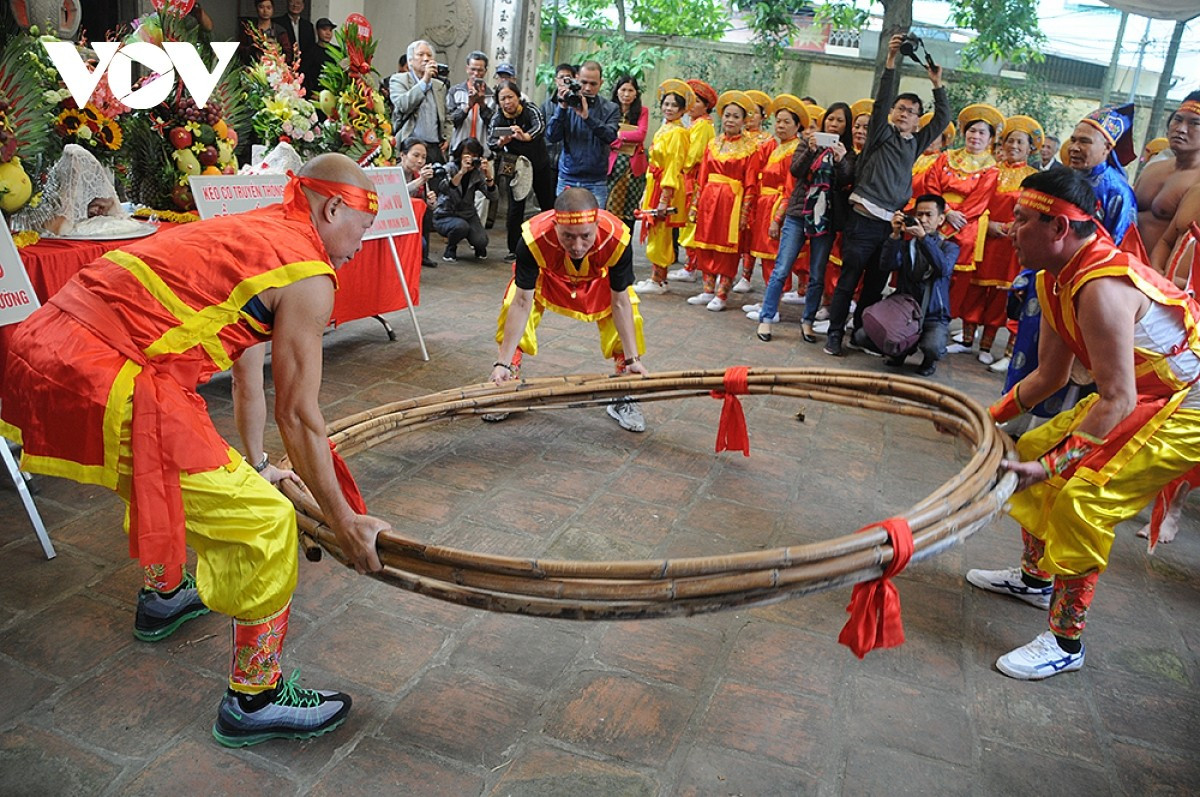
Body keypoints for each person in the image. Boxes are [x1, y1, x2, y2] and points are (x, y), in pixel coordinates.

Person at [0, 153, 389, 744]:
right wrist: (344, 522)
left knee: (169, 454)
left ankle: (166, 595)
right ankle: (254, 698)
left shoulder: (263, 227)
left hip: (47, 341)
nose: (361, 246)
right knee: (262, 523)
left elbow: (245, 375)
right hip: (107, 369)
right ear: (333, 207)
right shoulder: (308, 272)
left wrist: (255, 465)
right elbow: (299, 416)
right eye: (362, 227)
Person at [965, 168, 1200, 680]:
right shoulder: (1055, 277)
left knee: (1083, 496)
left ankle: (1066, 642)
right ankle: (1035, 579)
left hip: (1185, 404)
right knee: (1031, 445)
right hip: (1139, 395)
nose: (1009, 228)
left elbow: (1116, 400)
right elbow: (1050, 376)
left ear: (1059, 229)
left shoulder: (1102, 287)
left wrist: (1054, 466)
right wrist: (985, 418)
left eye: (1022, 219)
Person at [822, 32, 948, 356]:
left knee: (875, 285)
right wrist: (891, 61)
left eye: (911, 111)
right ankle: (834, 335)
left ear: (918, 120)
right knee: (849, 279)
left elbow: (944, 118)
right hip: (862, 221)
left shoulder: (915, 143)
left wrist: (937, 83)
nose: (904, 114)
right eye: (900, 108)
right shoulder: (881, 133)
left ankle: (860, 333)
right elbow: (881, 100)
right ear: (892, 112)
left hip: (889, 227)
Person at [488, 188, 649, 432]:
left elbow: (620, 302)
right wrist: (502, 362)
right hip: (549, 278)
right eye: (567, 237)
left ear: (597, 223)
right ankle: (507, 380)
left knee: (630, 308)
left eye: (586, 235)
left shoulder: (616, 240)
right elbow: (522, 301)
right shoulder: (533, 240)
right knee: (512, 301)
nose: (577, 246)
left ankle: (624, 390)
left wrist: (632, 358)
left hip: (598, 281)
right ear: (554, 225)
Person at [751, 98, 853, 343]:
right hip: (799, 213)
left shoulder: (848, 153)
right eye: (831, 119)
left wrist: (841, 160)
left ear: (846, 126)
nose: (834, 124)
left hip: (826, 219)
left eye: (840, 121)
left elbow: (847, 182)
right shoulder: (805, 143)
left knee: (817, 273)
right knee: (782, 267)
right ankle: (766, 318)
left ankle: (807, 322)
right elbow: (796, 171)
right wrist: (812, 149)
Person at [926, 103, 1001, 352]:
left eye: (982, 132)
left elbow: (980, 200)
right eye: (972, 131)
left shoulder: (991, 169)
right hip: (938, 217)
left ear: (990, 138)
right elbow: (932, 183)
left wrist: (954, 218)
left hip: (966, 227)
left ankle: (942, 322)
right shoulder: (946, 157)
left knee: (956, 278)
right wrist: (945, 211)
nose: (975, 136)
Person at [968, 115, 1042, 369]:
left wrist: (1012, 228)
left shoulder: (1034, 178)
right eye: (1010, 140)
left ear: (1030, 148)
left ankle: (997, 348)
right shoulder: (990, 171)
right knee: (975, 288)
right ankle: (968, 339)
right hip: (985, 238)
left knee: (1005, 295)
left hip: (1012, 244)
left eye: (1020, 142)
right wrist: (987, 225)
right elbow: (976, 202)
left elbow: (1033, 212)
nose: (1014, 146)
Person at [684, 91, 761, 311]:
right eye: (727, 115)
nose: (730, 120)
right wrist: (696, 206)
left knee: (728, 249)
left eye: (736, 116)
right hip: (709, 200)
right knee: (705, 244)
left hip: (732, 203)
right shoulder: (713, 144)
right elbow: (702, 177)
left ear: (744, 120)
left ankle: (722, 293)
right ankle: (707, 289)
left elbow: (751, 185)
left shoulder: (750, 148)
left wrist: (745, 213)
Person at [871, 193, 958, 376]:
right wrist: (895, 235)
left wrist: (924, 239)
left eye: (929, 215)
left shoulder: (950, 247)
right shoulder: (906, 245)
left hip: (934, 315)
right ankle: (900, 351)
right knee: (866, 335)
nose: (923, 220)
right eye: (919, 215)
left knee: (933, 346)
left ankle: (929, 360)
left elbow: (942, 269)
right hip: (905, 311)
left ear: (941, 219)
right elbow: (886, 265)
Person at [632, 79, 694, 294]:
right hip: (654, 183)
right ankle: (658, 277)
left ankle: (658, 279)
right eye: (666, 104)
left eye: (674, 105)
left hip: (664, 187)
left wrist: (664, 197)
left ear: (683, 109)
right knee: (656, 231)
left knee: (661, 232)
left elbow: (673, 166)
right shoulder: (666, 128)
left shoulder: (678, 133)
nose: (668, 108)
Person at [488, 80, 557, 260]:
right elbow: (490, 142)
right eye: (502, 99)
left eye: (510, 97)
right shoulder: (497, 118)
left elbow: (540, 126)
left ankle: (553, 244)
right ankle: (514, 249)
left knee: (547, 204)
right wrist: (500, 143)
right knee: (515, 207)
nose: (507, 102)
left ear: (518, 97)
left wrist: (525, 136)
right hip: (513, 162)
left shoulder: (530, 109)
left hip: (539, 161)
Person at [545, 60, 620, 206]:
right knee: (565, 223)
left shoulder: (610, 108)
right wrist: (562, 108)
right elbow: (551, 136)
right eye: (584, 82)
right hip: (568, 177)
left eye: (593, 84)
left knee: (594, 225)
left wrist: (587, 117)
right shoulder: (567, 104)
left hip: (596, 180)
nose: (587, 88)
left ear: (601, 83)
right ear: (576, 78)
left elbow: (610, 137)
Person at [1134, 93, 1200, 256]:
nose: (1181, 129)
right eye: (1177, 119)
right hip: (1119, 265)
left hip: (1157, 275)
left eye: (1194, 123)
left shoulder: (1197, 183)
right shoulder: (1153, 168)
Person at [667, 78, 717, 284]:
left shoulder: (703, 126)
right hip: (689, 177)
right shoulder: (695, 124)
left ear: (706, 106)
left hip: (693, 179)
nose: (692, 105)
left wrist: (677, 166)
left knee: (691, 222)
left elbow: (694, 155)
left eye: (698, 101)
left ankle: (691, 266)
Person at [431, 137, 496, 262]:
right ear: (460, 154)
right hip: (445, 214)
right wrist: (461, 172)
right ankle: (451, 247)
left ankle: (476, 244)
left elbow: (493, 196)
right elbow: (445, 189)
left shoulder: (477, 173)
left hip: (468, 214)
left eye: (474, 155)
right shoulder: (449, 168)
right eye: (467, 154)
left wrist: (488, 176)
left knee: (481, 241)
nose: (470, 159)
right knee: (461, 226)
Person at [390, 40, 451, 164]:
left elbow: (447, 116)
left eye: (429, 55)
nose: (426, 59)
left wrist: (447, 137)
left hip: (434, 148)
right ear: (410, 61)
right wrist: (425, 81)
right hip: (410, 145)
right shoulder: (399, 80)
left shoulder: (440, 86)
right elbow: (403, 105)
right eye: (420, 55)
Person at [606, 75, 650, 234]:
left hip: (633, 170)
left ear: (636, 93)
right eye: (623, 89)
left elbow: (641, 135)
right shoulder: (609, 109)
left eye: (630, 90)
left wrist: (618, 135)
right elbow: (605, 136)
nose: (626, 94)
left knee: (629, 211)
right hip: (612, 167)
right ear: (617, 91)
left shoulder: (642, 112)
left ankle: (625, 248)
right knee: (609, 209)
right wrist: (620, 137)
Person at [397, 136, 438, 267]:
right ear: (403, 155)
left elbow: (430, 206)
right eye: (416, 155)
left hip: (413, 221)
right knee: (421, 244)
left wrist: (431, 202)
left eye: (424, 157)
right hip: (396, 222)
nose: (420, 161)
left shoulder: (419, 174)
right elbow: (397, 193)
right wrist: (419, 181)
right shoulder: (393, 172)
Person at [910, 112, 954, 201]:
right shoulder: (910, 154)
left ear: (943, 142)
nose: (929, 138)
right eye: (926, 134)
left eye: (935, 135)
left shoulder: (943, 162)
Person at [238, 0, 291, 66]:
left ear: (273, 9)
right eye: (261, 7)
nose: (265, 11)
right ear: (256, 8)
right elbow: (240, 51)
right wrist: (253, 49)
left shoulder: (280, 31)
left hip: (276, 70)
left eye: (268, 7)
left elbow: (288, 55)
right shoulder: (249, 30)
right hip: (252, 69)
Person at [302, 17, 335, 97]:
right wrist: (310, 93)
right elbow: (304, 75)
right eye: (324, 29)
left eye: (330, 30)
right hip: (315, 95)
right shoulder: (309, 52)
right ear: (317, 31)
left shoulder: (337, 51)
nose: (328, 33)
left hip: (334, 94)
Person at [274, 0, 313, 65]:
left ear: (303, 6)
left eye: (298, 3)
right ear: (287, 3)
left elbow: (310, 49)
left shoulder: (308, 26)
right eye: (292, 2)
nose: (295, 5)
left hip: (304, 66)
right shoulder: (278, 23)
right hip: (284, 64)